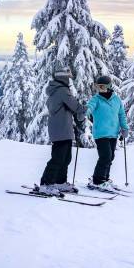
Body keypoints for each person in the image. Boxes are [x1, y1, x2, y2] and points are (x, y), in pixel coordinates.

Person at [38, 65, 86, 196]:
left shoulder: (57, 90)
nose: (69, 80)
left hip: (61, 129)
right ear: (63, 78)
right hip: (61, 130)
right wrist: (83, 110)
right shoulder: (62, 91)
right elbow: (75, 106)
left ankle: (60, 182)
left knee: (65, 158)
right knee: (58, 158)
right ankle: (46, 184)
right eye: (68, 78)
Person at [86, 75, 129, 189]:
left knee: (110, 157)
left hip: (113, 133)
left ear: (109, 86)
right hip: (100, 133)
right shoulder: (96, 99)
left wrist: (124, 128)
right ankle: (97, 180)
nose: (100, 89)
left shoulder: (116, 99)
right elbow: (89, 107)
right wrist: (85, 112)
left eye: (102, 87)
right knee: (105, 156)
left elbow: (121, 115)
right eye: (98, 87)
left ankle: (104, 178)